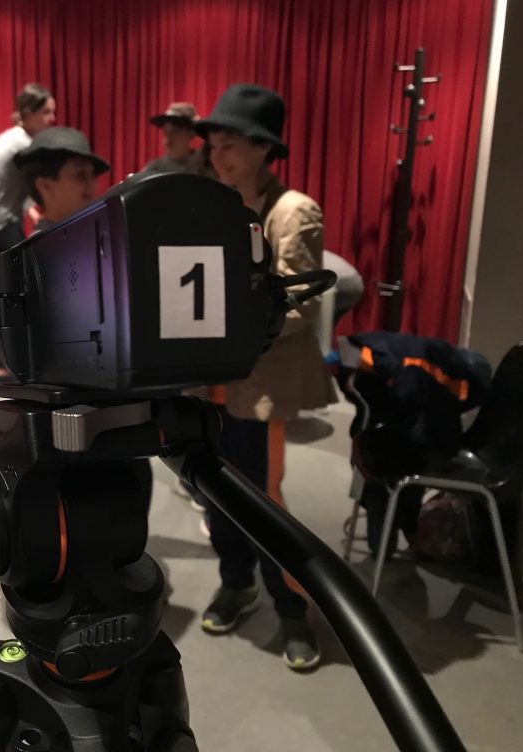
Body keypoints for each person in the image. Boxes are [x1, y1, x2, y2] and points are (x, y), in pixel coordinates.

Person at [193, 83, 338, 671]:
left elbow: (301, 305)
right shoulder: (212, 205)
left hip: (258, 386)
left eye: (229, 144)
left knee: (265, 500)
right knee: (215, 493)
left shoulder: (292, 210)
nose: (217, 155)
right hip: (209, 382)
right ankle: (237, 582)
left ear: (262, 148)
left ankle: (291, 608)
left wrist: (228, 329)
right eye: (214, 145)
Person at [0, 83, 57, 285]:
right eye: (46, 112)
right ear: (29, 114)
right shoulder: (24, 145)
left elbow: (14, 185)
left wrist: (32, 212)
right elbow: (46, 187)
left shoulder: (8, 137)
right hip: (2, 227)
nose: (52, 118)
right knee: (27, 283)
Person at [13, 127, 110, 232]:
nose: (92, 185)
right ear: (46, 187)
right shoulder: (46, 243)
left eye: (93, 175)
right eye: (80, 175)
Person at [141, 102, 205, 175]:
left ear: (191, 132)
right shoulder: (153, 169)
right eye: (165, 132)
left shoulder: (205, 168)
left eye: (175, 132)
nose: (167, 140)